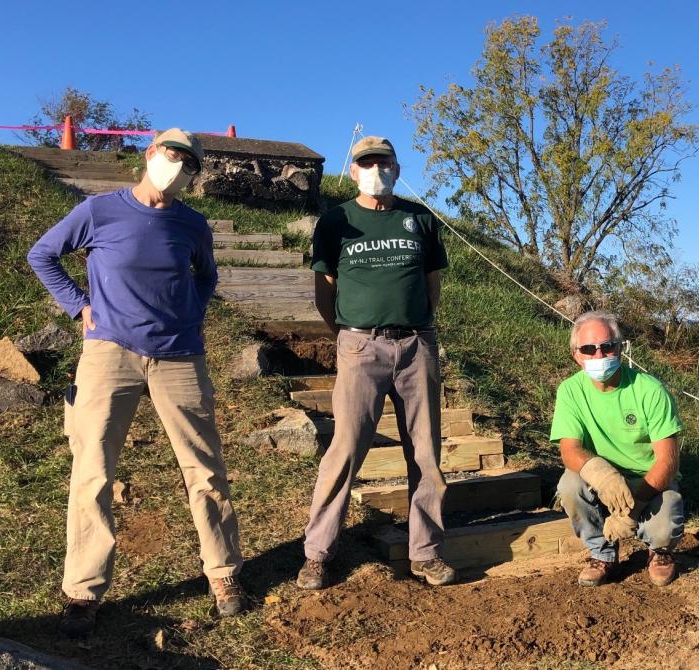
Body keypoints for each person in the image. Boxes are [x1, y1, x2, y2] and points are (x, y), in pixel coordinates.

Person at [27, 129, 245, 637]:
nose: (178, 167)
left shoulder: (193, 224)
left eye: (189, 164)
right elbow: (43, 254)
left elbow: (205, 276)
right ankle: (83, 591)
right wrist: (78, 305)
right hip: (109, 354)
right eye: (172, 155)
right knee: (93, 471)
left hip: (179, 357)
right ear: (150, 155)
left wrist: (192, 313)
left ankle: (224, 574)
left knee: (205, 470)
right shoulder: (100, 212)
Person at [297, 136, 457, 589]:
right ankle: (317, 553)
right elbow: (324, 288)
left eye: (383, 161)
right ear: (353, 170)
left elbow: (432, 285)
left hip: (416, 346)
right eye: (367, 162)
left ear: (397, 166)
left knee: (424, 452)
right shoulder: (336, 220)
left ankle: (425, 553)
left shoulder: (419, 218)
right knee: (345, 450)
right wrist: (347, 335)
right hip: (360, 347)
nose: (376, 169)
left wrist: (418, 326)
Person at [550, 311, 685, 587]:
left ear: (620, 348)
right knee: (570, 486)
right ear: (576, 355)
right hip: (603, 482)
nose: (599, 355)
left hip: (647, 480)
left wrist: (632, 508)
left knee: (667, 514)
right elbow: (569, 449)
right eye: (589, 349)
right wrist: (601, 474)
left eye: (607, 346)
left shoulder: (650, 390)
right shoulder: (570, 391)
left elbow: (668, 461)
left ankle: (659, 552)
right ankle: (602, 555)